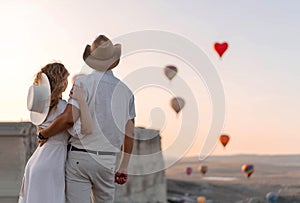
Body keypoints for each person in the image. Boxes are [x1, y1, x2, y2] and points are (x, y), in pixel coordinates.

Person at [38, 35, 136, 203]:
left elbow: (69, 119)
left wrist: (44, 134)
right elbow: (130, 132)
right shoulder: (126, 91)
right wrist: (124, 166)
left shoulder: (83, 82)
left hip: (80, 158)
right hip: (108, 160)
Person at [19, 62, 93, 203]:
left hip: (36, 160)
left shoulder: (42, 109)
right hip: (52, 162)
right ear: (61, 83)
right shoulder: (65, 108)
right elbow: (78, 129)